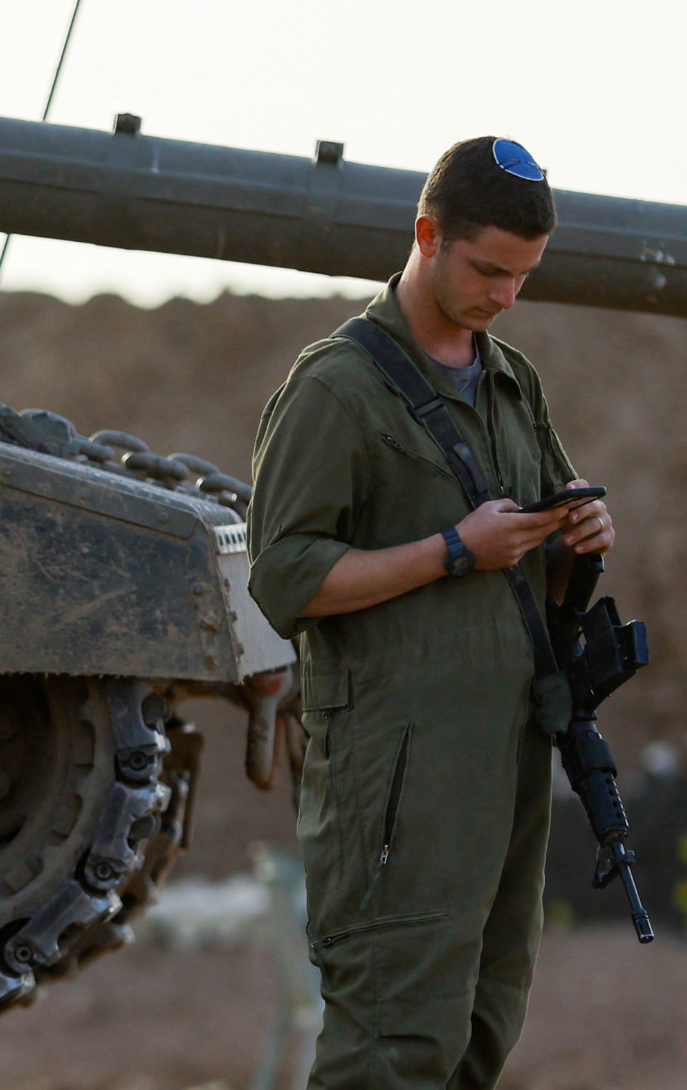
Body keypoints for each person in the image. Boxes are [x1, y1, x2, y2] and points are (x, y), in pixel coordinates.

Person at [246, 136, 615, 1089]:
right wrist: (452, 549)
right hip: (396, 784)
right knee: (391, 1051)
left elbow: (534, 523)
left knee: (479, 1035)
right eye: (489, 269)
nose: (505, 295)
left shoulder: (509, 378)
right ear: (426, 234)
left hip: (503, 764)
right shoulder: (336, 387)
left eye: (524, 277)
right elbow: (284, 575)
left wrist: (580, 529)